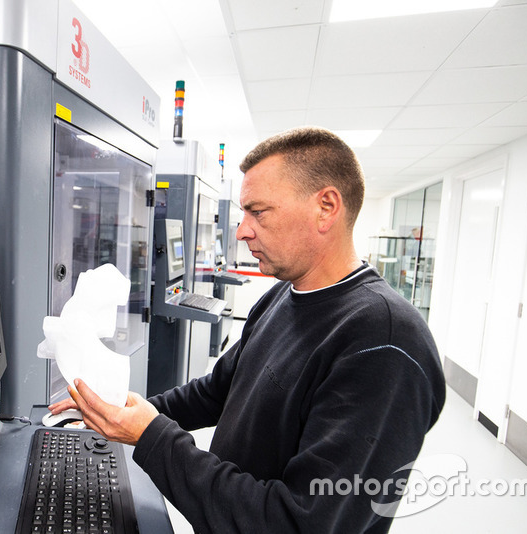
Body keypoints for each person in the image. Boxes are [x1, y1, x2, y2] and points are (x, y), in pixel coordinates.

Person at [50, 126, 446, 533]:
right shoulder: (283, 297)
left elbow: (298, 523)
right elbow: (216, 391)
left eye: (258, 212)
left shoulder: (383, 344)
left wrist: (151, 436)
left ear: (326, 207)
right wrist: (120, 411)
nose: (241, 230)